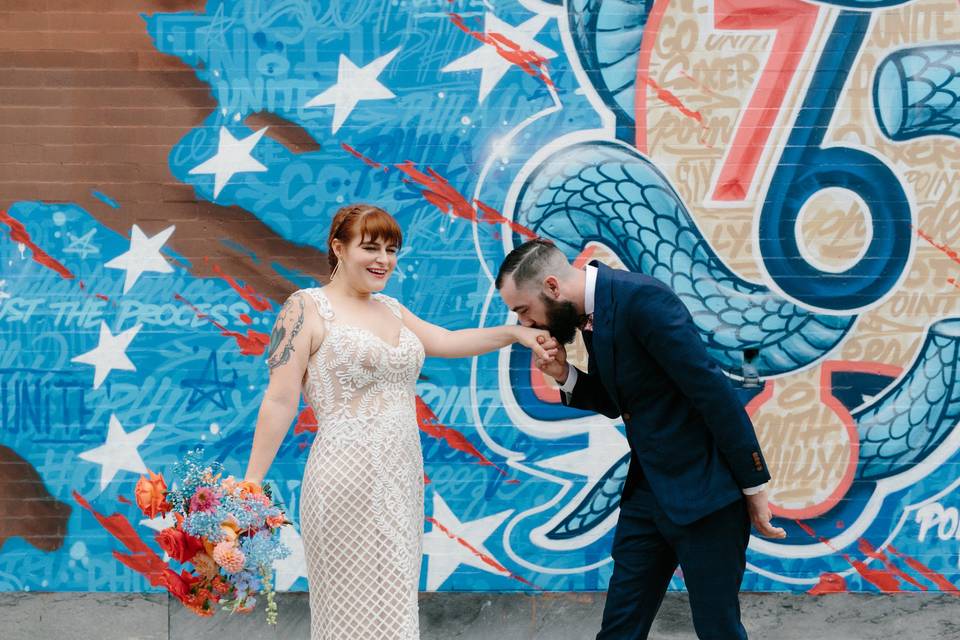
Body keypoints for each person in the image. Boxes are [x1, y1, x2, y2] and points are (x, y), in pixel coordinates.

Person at [242, 204, 555, 640]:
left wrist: (515, 333)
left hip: (401, 482)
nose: (383, 260)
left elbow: (446, 341)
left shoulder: (391, 308)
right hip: (341, 480)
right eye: (370, 247)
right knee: (348, 615)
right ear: (338, 248)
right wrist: (251, 482)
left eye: (392, 250)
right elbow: (280, 399)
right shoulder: (305, 308)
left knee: (395, 613)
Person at [495, 238, 785, 640]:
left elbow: (712, 393)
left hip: (707, 495)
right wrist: (564, 374)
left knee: (718, 629)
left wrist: (754, 486)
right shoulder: (592, 311)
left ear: (552, 287)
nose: (526, 324)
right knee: (619, 629)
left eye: (524, 311)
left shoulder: (643, 300)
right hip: (648, 494)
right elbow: (620, 402)